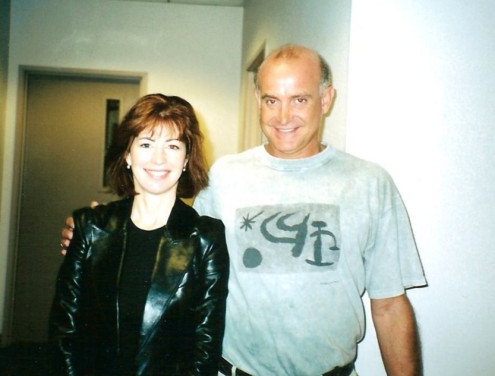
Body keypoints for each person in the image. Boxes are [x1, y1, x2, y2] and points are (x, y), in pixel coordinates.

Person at [61, 45, 426, 376]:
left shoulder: (369, 183)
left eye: (299, 99)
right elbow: (172, 233)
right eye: (271, 100)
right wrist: (102, 229)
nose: (283, 116)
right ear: (257, 99)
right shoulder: (226, 175)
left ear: (326, 98)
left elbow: (390, 306)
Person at [50, 93, 229, 376]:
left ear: (185, 159)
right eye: (146, 144)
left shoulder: (207, 238)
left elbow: (205, 345)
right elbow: (64, 332)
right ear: (127, 155)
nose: (159, 159)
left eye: (173, 146)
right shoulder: (90, 226)